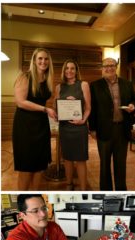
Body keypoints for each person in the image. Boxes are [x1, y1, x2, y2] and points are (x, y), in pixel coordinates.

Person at [89, 57, 135, 191]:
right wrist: (92, 128)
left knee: (120, 164)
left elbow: (134, 100)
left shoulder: (127, 84)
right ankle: (106, 191)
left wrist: (133, 106)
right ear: (102, 68)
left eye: (111, 65)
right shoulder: (95, 86)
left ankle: (122, 191)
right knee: (104, 165)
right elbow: (92, 108)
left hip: (122, 129)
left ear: (116, 67)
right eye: (105, 66)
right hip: (103, 130)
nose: (108, 68)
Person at [12, 48, 57, 190]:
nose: (43, 61)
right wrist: (44, 109)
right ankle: (23, 200)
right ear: (34, 60)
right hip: (25, 126)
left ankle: (35, 194)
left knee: (40, 165)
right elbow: (20, 102)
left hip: (41, 125)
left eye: (46, 59)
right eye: (40, 58)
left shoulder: (48, 79)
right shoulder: (25, 77)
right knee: (26, 167)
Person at [55, 60, 91, 191]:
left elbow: (88, 108)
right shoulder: (59, 87)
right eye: (67, 68)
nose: (69, 71)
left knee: (81, 159)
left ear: (76, 71)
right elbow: (56, 107)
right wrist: (59, 110)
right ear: (63, 71)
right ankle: (69, 184)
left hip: (79, 127)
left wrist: (83, 120)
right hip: (65, 127)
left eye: (72, 68)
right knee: (67, 159)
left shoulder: (84, 85)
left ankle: (83, 188)